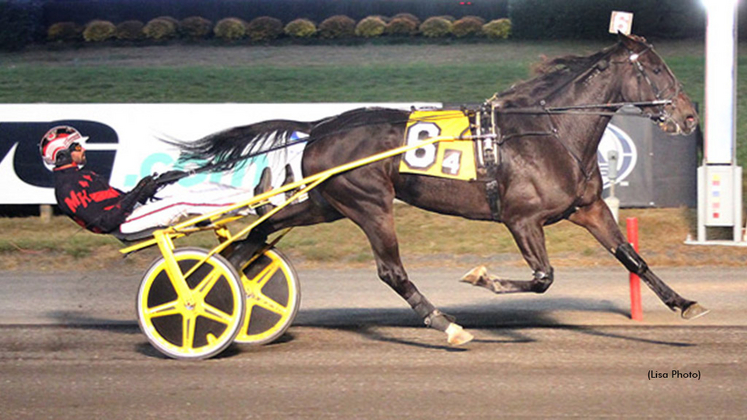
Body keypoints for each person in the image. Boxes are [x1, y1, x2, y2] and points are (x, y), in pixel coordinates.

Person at [41, 125, 256, 237]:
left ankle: (253, 198)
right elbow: (103, 221)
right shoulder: (67, 189)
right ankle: (253, 203)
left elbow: (119, 200)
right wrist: (136, 194)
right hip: (125, 225)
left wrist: (147, 187)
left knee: (192, 186)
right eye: (77, 147)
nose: (83, 149)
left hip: (130, 214)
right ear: (62, 155)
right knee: (180, 203)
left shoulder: (83, 176)